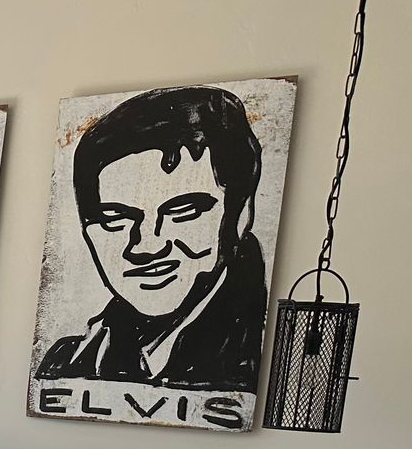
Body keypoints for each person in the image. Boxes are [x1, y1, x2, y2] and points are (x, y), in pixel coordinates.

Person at [36, 86, 266, 390]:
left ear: (241, 215)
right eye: (115, 219)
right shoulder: (68, 360)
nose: (147, 246)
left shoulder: (253, 355)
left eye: (184, 212)